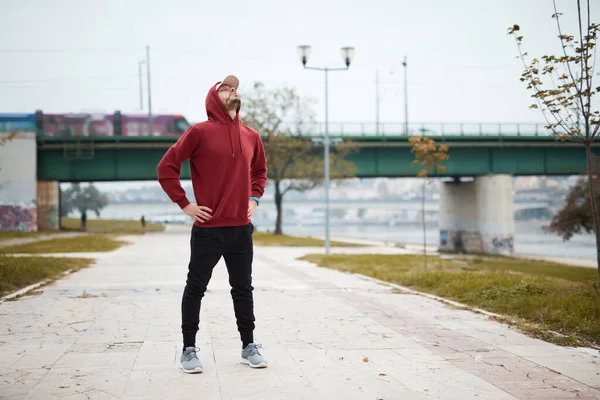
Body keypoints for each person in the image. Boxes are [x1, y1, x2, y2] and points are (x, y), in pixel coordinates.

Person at [157, 75, 268, 373]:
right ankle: (188, 350)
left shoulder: (251, 135)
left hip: (241, 230)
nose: (232, 90)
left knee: (243, 288)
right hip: (208, 230)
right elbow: (166, 168)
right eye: (224, 88)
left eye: (234, 87)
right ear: (212, 98)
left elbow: (260, 172)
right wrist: (186, 205)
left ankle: (248, 346)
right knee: (195, 288)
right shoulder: (199, 132)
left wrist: (255, 198)